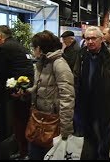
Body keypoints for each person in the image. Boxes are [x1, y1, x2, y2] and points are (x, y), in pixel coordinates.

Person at [0, 25, 34, 160]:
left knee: (19, 122)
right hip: (27, 87)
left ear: (0, 36)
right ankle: (25, 151)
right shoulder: (18, 45)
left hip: (17, 90)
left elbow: (1, 73)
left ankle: (24, 153)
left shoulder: (3, 48)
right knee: (24, 120)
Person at [73, 26, 110, 159]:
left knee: (105, 137)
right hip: (85, 104)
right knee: (88, 136)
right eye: (87, 38)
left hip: (105, 105)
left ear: (101, 39)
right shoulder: (81, 54)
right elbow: (76, 75)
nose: (90, 42)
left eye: (93, 38)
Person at [26, 30, 75, 160]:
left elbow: (67, 97)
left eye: (33, 47)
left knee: (51, 155)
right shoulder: (42, 63)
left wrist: (65, 131)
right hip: (39, 119)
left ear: (40, 48)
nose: (33, 50)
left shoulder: (59, 64)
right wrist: (26, 91)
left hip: (52, 122)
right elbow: (39, 87)